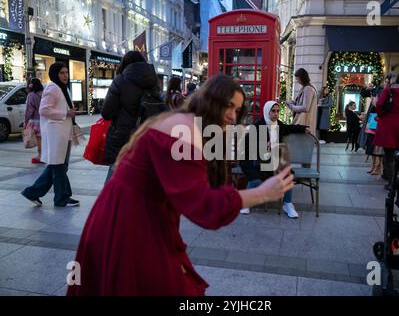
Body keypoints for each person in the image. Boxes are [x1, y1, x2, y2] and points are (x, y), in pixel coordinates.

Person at [66, 75, 294, 295]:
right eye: (230, 107)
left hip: (133, 216)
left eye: (238, 110)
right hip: (130, 223)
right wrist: (262, 193)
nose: (234, 117)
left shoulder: (184, 122)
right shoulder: (184, 131)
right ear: (212, 102)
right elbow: (204, 206)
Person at [21, 62, 79, 207]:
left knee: (57, 166)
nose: (65, 75)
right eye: (62, 73)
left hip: (63, 134)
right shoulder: (52, 88)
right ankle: (61, 198)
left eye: (66, 72)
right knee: (59, 166)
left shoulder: (62, 88)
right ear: (55, 74)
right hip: (56, 134)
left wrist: (69, 113)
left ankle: (33, 192)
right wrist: (66, 113)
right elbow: (43, 110)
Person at [239, 100, 307, 218]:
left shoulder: (278, 125)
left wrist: (303, 129)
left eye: (277, 111)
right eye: (273, 111)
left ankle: (287, 204)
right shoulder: (257, 126)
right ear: (267, 112)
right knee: (256, 178)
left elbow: (289, 128)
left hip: (271, 160)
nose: (276, 114)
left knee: (287, 174)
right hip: (252, 159)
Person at [101, 50, 160, 183]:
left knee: (115, 175)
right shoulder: (154, 80)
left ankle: (112, 202)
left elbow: (107, 112)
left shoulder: (120, 80)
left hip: (122, 136)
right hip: (147, 134)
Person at [285, 68, 318, 137]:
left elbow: (306, 108)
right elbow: (300, 102)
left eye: (297, 79)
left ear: (301, 78)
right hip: (303, 120)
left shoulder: (308, 89)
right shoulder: (306, 87)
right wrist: (292, 102)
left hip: (304, 121)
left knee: (301, 144)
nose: (297, 81)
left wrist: (292, 107)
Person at [24, 78, 44, 164]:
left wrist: (26, 121)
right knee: (43, 139)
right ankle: (44, 154)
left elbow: (29, 110)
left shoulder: (31, 95)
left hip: (35, 120)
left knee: (39, 139)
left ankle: (40, 155)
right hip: (44, 120)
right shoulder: (43, 94)